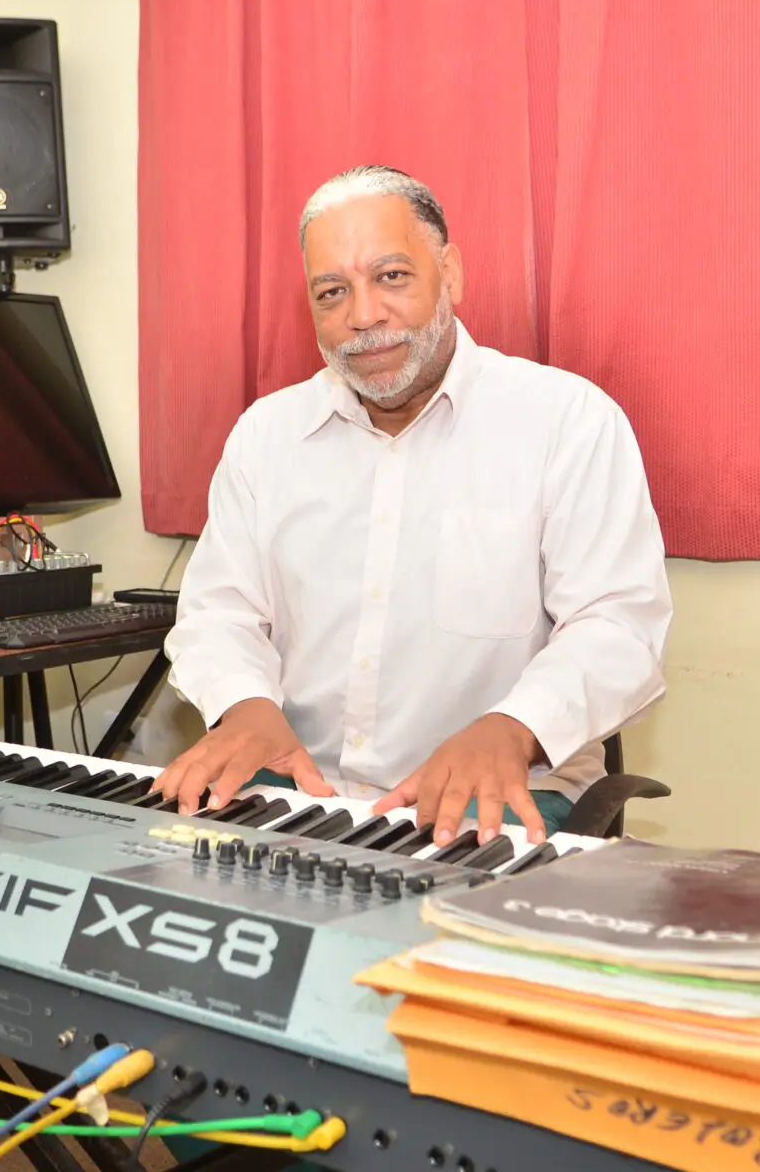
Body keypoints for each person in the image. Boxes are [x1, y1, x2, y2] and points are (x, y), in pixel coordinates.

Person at [152, 164, 672, 848]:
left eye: (391, 276)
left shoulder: (567, 421)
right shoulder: (265, 436)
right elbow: (219, 613)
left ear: (449, 273)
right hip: (297, 785)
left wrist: (512, 730)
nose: (363, 316)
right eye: (332, 291)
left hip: (498, 797)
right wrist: (245, 708)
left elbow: (618, 628)